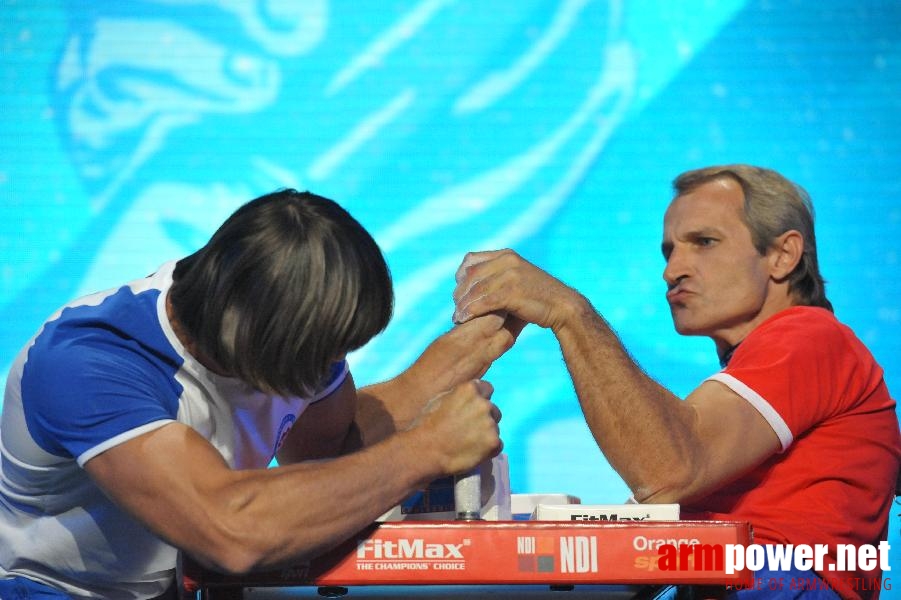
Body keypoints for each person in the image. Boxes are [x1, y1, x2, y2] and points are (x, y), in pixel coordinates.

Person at [0, 189, 521, 599]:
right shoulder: (90, 363)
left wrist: (448, 364)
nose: (328, 371)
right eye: (320, 355)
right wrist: (426, 450)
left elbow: (329, 458)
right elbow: (232, 531)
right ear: (250, 334)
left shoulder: (269, 309)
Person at [452, 165, 900, 600]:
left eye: (704, 242)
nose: (672, 271)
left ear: (783, 255)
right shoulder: (789, 358)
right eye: (669, 251)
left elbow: (668, 470)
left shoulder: (808, 337)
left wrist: (569, 313)